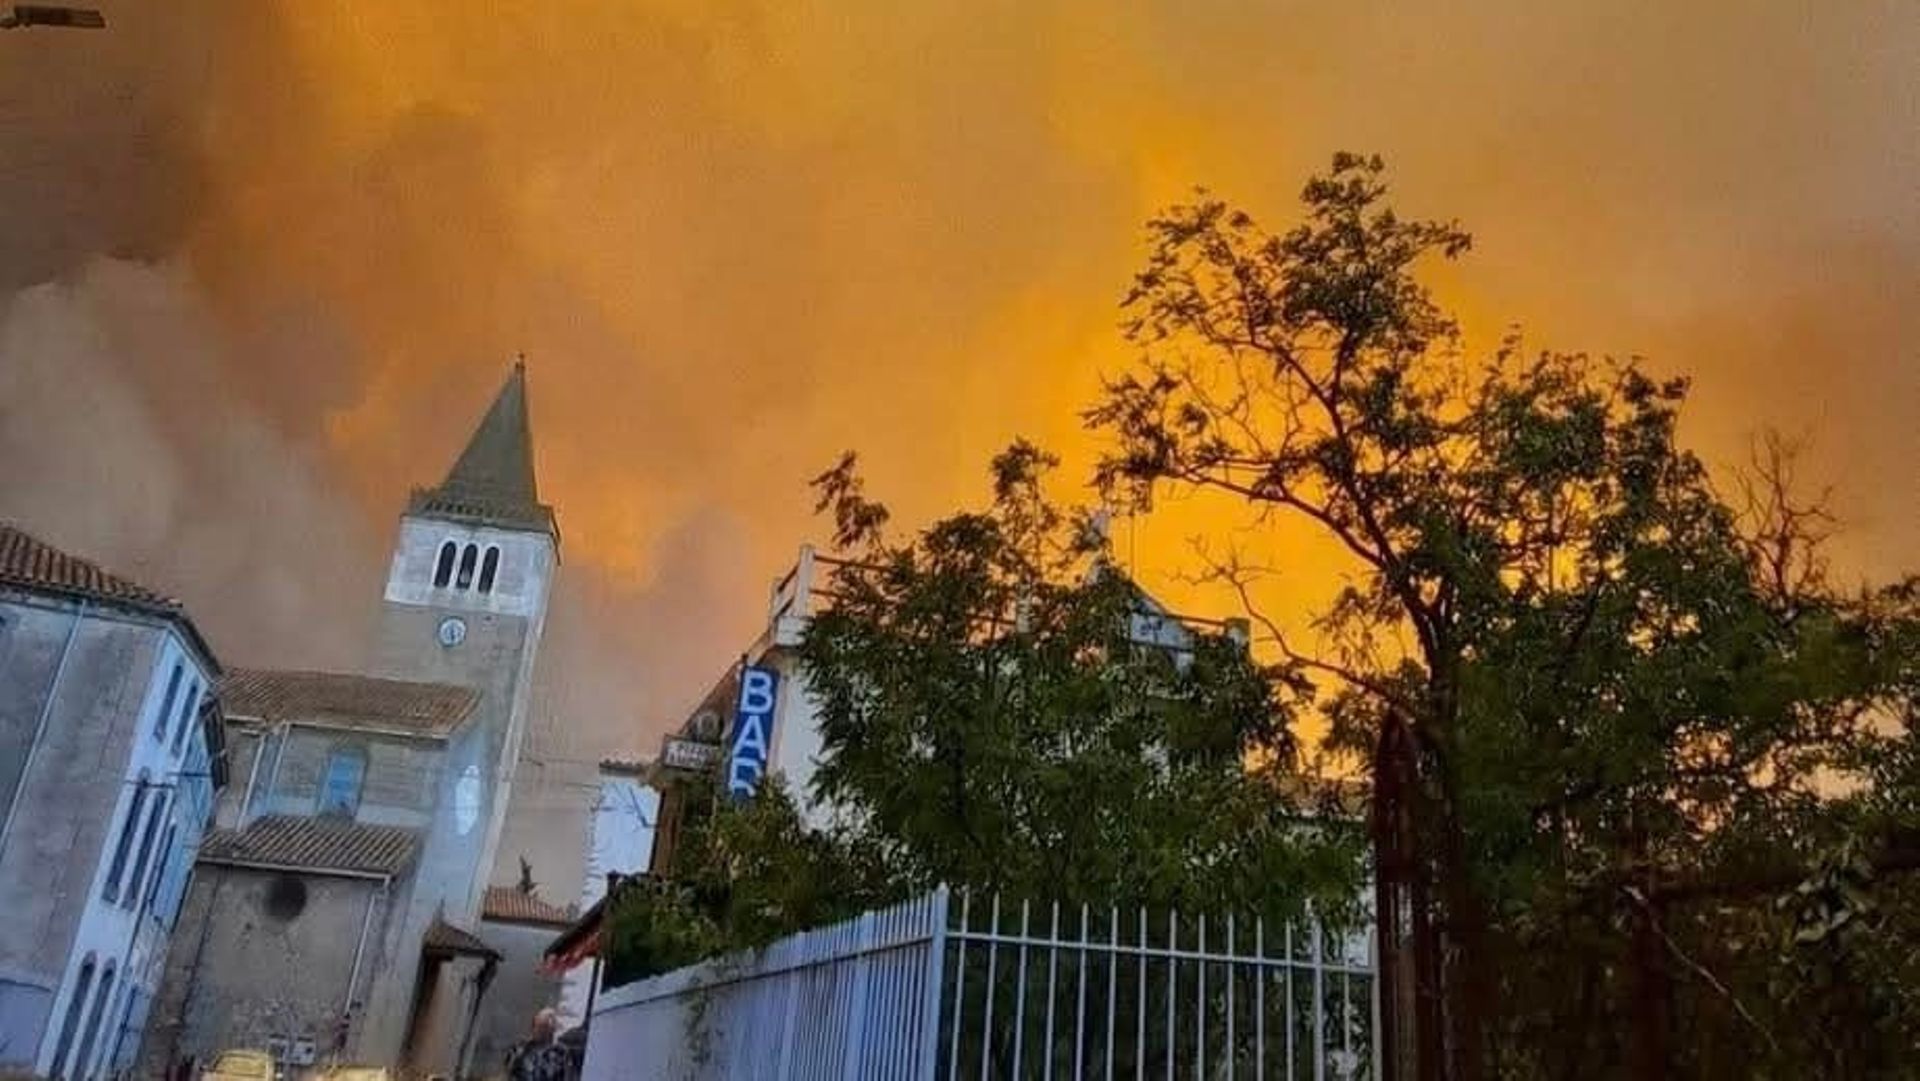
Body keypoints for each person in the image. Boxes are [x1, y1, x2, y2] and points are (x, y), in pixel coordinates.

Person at [504, 1008, 577, 1081]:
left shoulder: (561, 1053)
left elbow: (568, 1076)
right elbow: (509, 1072)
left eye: (544, 1027)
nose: (539, 1031)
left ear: (552, 1030)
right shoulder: (520, 1048)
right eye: (537, 1026)